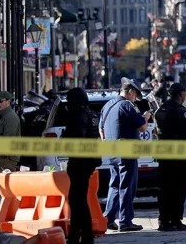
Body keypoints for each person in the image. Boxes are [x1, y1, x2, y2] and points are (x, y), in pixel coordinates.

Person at [99, 80, 151, 232]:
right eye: (136, 96)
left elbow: (101, 129)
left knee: (114, 185)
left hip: (111, 151)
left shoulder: (108, 105)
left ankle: (108, 219)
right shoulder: (128, 106)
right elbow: (142, 128)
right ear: (131, 92)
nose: (135, 99)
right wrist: (146, 117)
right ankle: (125, 221)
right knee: (127, 186)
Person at [154, 83, 186, 232]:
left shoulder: (160, 109)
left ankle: (163, 221)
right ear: (181, 95)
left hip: (163, 155)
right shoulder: (181, 112)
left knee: (164, 189)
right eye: (184, 95)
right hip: (177, 156)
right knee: (179, 188)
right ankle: (175, 220)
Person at [62, 88, 102, 244]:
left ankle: (84, 235)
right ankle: (78, 234)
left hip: (80, 161)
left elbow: (77, 139)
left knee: (78, 200)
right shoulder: (91, 115)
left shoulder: (78, 116)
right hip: (88, 161)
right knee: (77, 199)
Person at [0, 91, 21, 175]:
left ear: (8, 101)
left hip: (6, 158)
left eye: (1, 101)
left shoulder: (10, 117)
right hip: (2, 157)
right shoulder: (3, 116)